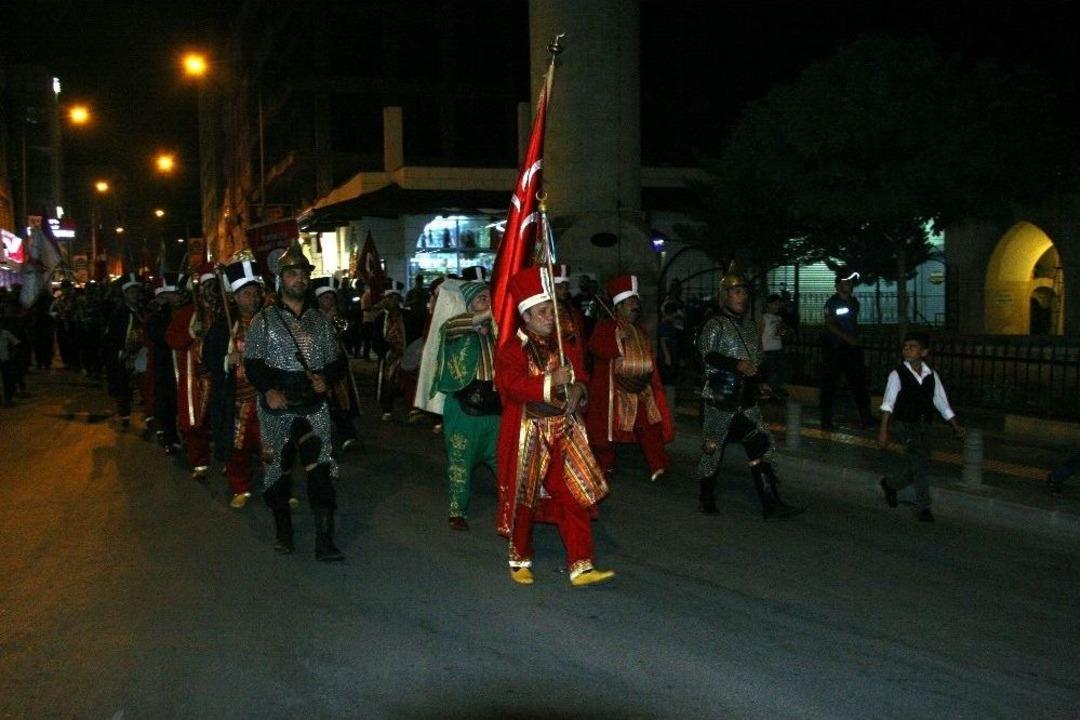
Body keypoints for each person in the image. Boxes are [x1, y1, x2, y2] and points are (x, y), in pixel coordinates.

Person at [495, 266, 614, 588]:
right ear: (527, 316)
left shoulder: (562, 343)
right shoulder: (511, 349)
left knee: (573, 494)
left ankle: (581, 564)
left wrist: (578, 389)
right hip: (529, 432)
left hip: (564, 429)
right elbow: (512, 386)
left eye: (551, 310)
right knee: (525, 496)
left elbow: (580, 375)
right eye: (544, 312)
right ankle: (519, 558)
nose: (551, 317)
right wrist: (550, 381)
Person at [243, 239, 346, 560]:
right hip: (279, 406)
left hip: (313, 407)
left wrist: (325, 379)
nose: (299, 279)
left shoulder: (321, 322)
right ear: (280, 279)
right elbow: (253, 363)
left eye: (303, 274)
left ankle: (324, 541)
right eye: (292, 274)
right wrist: (268, 391)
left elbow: (336, 361)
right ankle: (283, 532)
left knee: (321, 469)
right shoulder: (264, 320)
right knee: (278, 470)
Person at [696, 262, 805, 520]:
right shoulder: (715, 324)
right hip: (720, 399)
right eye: (736, 292)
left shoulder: (748, 327)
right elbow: (707, 355)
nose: (741, 296)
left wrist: (760, 383)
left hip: (745, 401)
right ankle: (706, 496)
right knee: (712, 450)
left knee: (761, 445)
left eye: (744, 292)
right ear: (724, 296)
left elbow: (756, 363)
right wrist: (736, 364)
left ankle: (771, 503)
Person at [585, 275, 674, 482]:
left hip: (640, 389)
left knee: (649, 424)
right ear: (619, 306)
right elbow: (596, 347)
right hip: (614, 391)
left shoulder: (639, 329)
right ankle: (605, 466)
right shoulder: (606, 327)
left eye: (636, 302)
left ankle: (658, 464)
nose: (635, 306)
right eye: (630, 302)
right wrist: (617, 340)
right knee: (605, 434)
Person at [429, 280, 500, 531]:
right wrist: (497, 308)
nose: (488, 303)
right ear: (469, 304)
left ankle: (512, 509)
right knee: (460, 462)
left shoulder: (498, 331)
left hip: (495, 409)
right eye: (482, 299)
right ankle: (457, 511)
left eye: (490, 298)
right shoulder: (454, 325)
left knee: (504, 462)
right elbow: (467, 323)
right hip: (464, 408)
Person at [878, 331, 965, 522]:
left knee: (919, 463)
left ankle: (891, 485)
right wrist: (883, 431)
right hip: (904, 425)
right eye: (905, 347)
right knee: (920, 464)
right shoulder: (897, 374)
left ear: (924, 352)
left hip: (923, 425)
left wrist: (955, 425)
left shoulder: (931, 375)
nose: (907, 350)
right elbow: (888, 403)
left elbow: (941, 402)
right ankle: (924, 507)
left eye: (913, 346)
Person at [204, 253, 266, 509]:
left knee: (271, 447)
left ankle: (278, 487)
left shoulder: (271, 321)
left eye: (255, 293)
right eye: (246, 294)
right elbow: (209, 357)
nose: (252, 298)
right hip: (237, 400)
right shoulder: (223, 327)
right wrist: (226, 360)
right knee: (237, 448)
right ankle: (241, 487)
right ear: (235, 297)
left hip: (266, 398)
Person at [167, 263, 221, 480]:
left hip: (220, 373)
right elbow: (172, 339)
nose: (210, 291)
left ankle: (229, 460)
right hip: (196, 377)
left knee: (225, 418)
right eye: (206, 286)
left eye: (213, 286)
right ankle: (199, 461)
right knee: (194, 421)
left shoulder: (225, 310)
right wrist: (191, 333)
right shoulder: (188, 312)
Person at [820, 269, 873, 430]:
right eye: (844, 282)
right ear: (837, 286)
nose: (847, 284)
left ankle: (866, 419)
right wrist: (846, 337)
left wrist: (859, 345)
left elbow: (854, 325)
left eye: (849, 282)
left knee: (859, 384)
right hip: (835, 348)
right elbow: (829, 323)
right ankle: (826, 421)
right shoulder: (832, 303)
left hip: (851, 349)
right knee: (829, 385)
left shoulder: (854, 302)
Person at [312, 276, 360, 451]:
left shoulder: (337, 318)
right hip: (319, 367)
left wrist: (336, 322)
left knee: (340, 401)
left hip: (336, 367)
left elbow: (349, 332)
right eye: (326, 297)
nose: (329, 301)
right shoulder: (312, 318)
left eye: (332, 297)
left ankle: (347, 435)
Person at [145, 273, 186, 454]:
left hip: (186, 363)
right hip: (166, 364)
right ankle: (171, 437)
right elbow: (159, 337)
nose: (179, 297)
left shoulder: (188, 310)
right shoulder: (157, 316)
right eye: (174, 294)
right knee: (167, 401)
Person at [103, 274, 147, 427]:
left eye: (137, 291)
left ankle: (150, 416)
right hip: (125, 355)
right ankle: (124, 415)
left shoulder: (143, 311)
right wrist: (120, 352)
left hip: (142, 353)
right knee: (124, 386)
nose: (135, 295)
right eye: (131, 292)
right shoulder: (118, 314)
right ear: (125, 294)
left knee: (145, 384)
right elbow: (111, 338)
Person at [375, 281, 407, 421]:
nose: (392, 301)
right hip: (388, 356)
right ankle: (387, 409)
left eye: (395, 298)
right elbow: (376, 340)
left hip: (405, 353)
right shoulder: (381, 318)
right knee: (387, 383)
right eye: (390, 298)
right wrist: (385, 351)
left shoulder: (407, 316)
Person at [759, 294, 790, 400]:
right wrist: (760, 348)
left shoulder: (779, 318)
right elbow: (759, 333)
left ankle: (777, 392)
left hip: (778, 347)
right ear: (769, 304)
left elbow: (781, 333)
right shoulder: (764, 318)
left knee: (780, 371)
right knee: (771, 372)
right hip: (768, 349)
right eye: (775, 304)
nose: (777, 306)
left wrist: (783, 331)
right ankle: (770, 394)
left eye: (779, 304)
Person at [657, 300, 682, 408]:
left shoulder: (669, 325)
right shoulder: (665, 326)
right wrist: (667, 357)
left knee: (669, 386)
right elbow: (663, 341)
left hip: (669, 359)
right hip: (667, 361)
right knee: (669, 386)